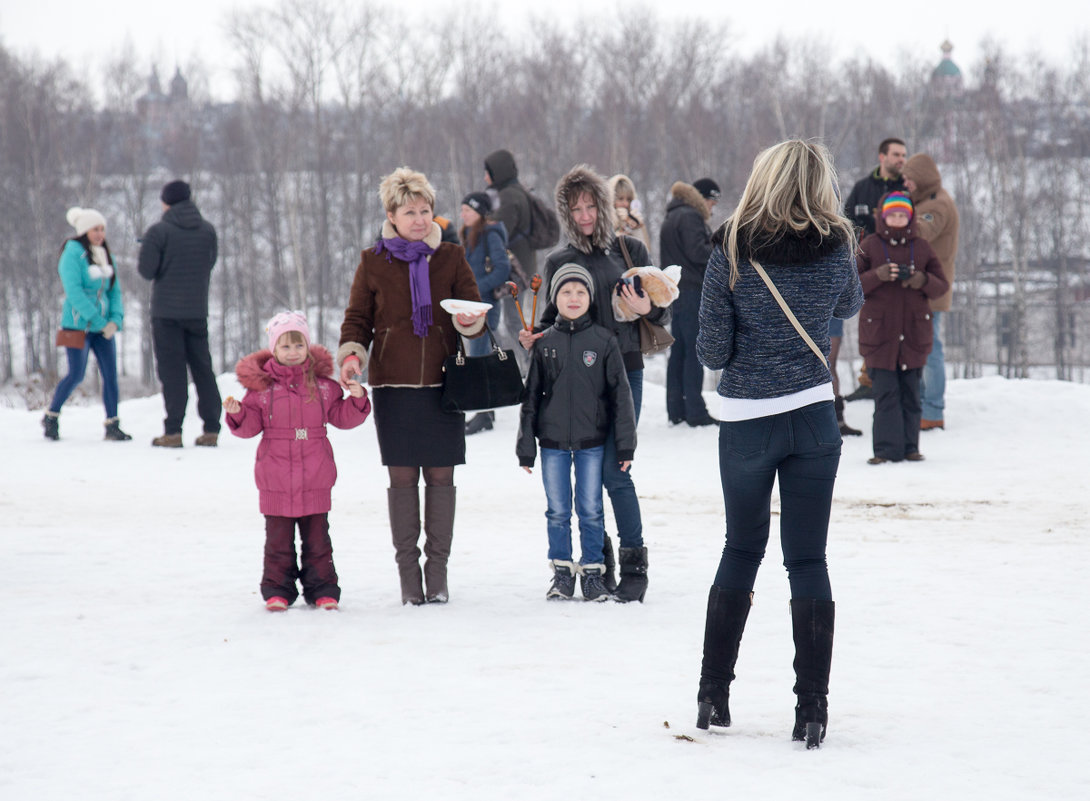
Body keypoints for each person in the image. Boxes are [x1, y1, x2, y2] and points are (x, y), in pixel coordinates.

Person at [694, 140, 864, 748]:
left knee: (741, 549)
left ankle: (713, 693)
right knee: (808, 559)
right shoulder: (840, 245)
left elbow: (712, 351)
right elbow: (847, 305)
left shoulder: (731, 249)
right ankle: (811, 710)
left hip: (746, 418)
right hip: (814, 415)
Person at [519, 164, 668, 603]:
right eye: (575, 207)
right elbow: (550, 321)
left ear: (603, 205)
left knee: (614, 471)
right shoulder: (558, 261)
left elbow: (663, 309)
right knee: (585, 474)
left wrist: (647, 308)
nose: (584, 214)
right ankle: (596, 562)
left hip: (625, 372)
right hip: (576, 384)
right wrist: (534, 337)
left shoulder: (630, 249)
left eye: (590, 205)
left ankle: (634, 563)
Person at [338, 167, 487, 605]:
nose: (420, 220)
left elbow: (474, 313)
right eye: (410, 212)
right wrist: (352, 357)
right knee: (402, 479)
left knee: (441, 478)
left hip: (445, 386)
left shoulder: (452, 258)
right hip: (394, 386)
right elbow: (358, 321)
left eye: (426, 211)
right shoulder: (372, 262)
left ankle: (436, 577)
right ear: (392, 215)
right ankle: (409, 581)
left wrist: (470, 322)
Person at [224, 312, 371, 611]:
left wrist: (356, 400)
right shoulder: (262, 391)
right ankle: (278, 589)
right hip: (275, 480)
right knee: (277, 543)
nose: (293, 353)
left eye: (298, 346)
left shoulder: (324, 387)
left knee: (318, 541)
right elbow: (250, 427)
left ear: (307, 347)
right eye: (285, 347)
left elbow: (341, 418)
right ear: (274, 350)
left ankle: (323, 589)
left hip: (315, 477)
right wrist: (238, 412)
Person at [517, 264, 637, 601]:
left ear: (590, 297)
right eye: (566, 292)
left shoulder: (604, 341)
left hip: (592, 443)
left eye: (580, 292)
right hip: (552, 444)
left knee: (590, 508)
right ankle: (562, 573)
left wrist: (625, 447)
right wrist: (526, 448)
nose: (574, 298)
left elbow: (621, 397)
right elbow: (530, 399)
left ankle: (593, 573)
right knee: (557, 510)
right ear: (555, 298)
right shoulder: (544, 344)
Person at [857, 192, 949, 464]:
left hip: (913, 336)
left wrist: (921, 279)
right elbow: (850, 285)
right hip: (880, 337)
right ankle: (884, 451)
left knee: (911, 395)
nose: (897, 220)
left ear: (909, 217)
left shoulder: (921, 247)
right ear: (883, 216)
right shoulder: (870, 245)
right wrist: (878, 276)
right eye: (892, 214)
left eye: (902, 215)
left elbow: (941, 285)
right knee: (885, 395)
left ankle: (910, 447)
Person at [138, 180, 222, 448]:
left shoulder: (158, 231)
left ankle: (173, 432)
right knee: (203, 369)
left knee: (173, 373)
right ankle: (211, 428)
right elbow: (210, 262)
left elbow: (146, 271)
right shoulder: (208, 230)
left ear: (166, 202)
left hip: (166, 313)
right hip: (197, 310)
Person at [42, 207, 132, 442]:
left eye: (102, 229)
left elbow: (115, 291)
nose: (100, 234)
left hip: (103, 328)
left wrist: (116, 320)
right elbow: (74, 292)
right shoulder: (72, 254)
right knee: (76, 374)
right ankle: (51, 415)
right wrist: (100, 321)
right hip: (78, 325)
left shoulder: (104, 254)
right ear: (84, 231)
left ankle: (112, 423)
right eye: (95, 229)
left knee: (110, 375)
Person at [901, 153, 959, 431]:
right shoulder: (927, 200)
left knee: (931, 349)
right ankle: (924, 403)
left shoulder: (937, 206)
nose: (906, 184)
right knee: (922, 348)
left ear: (921, 179)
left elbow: (921, 231)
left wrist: (894, 215)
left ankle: (933, 409)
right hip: (923, 288)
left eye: (909, 179)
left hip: (931, 290)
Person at [660, 177, 720, 427]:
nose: (713, 208)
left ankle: (676, 409)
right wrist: (720, 250)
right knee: (694, 350)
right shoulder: (690, 216)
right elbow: (698, 252)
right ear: (703, 198)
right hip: (692, 291)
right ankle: (695, 411)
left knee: (680, 351)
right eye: (712, 201)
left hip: (676, 291)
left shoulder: (673, 215)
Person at [459, 191, 511, 435]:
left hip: (485, 305)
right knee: (479, 355)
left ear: (479, 212)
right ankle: (486, 412)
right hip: (472, 305)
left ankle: (483, 413)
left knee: (480, 357)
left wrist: (475, 288)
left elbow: (502, 269)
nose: (463, 214)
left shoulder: (490, 234)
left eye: (467, 210)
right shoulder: (471, 234)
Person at [485, 149, 539, 367]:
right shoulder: (518, 191)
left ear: (497, 172)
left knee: (512, 319)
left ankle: (530, 363)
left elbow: (501, 229)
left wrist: (485, 221)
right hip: (523, 264)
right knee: (512, 318)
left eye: (488, 172)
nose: (485, 177)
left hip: (515, 268)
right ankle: (527, 363)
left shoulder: (508, 195)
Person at [843, 137, 907, 237]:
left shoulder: (907, 188)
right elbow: (847, 222)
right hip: (866, 250)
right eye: (896, 155)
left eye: (903, 155)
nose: (901, 159)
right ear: (882, 157)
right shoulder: (861, 188)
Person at [607, 174, 651, 251]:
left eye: (629, 199)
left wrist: (636, 227)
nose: (626, 204)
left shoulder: (635, 220)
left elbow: (644, 252)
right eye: (620, 199)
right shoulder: (604, 222)